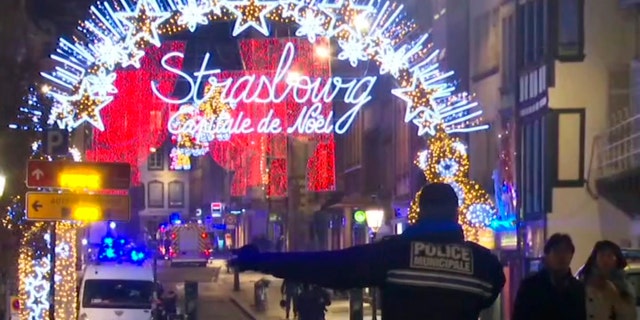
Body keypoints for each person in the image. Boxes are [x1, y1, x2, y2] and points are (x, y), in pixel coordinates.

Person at [231, 183, 505, 320]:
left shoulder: (395, 255)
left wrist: (258, 259)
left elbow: (329, 267)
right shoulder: (483, 266)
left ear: (419, 213)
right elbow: (489, 294)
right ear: (456, 214)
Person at [512, 233, 586, 320]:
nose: (562, 256)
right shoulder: (530, 286)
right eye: (557, 251)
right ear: (547, 255)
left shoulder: (577, 288)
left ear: (571, 255)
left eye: (566, 251)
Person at [577, 240, 636, 320]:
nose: (605, 260)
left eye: (609, 256)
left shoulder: (619, 288)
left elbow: (628, 314)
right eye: (602, 255)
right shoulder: (580, 285)